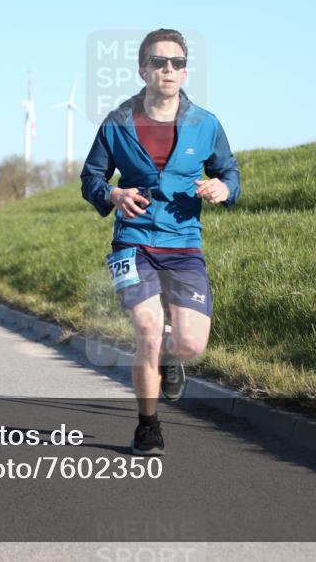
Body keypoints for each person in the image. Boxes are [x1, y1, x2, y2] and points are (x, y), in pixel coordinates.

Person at [80, 28, 240, 456]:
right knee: (148, 329)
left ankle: (172, 360)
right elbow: (90, 178)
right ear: (142, 70)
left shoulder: (205, 124)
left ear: (185, 73)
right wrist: (113, 194)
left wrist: (224, 189)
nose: (168, 69)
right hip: (132, 242)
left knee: (190, 344)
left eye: (177, 63)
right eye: (158, 62)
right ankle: (147, 426)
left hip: (184, 244)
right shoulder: (116, 123)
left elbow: (230, 173)